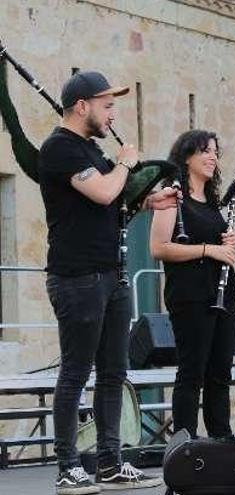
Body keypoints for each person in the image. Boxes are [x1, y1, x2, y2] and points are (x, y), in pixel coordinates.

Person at [39, 70, 176, 494]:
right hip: (77, 276)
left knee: (114, 372)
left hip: (111, 274)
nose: (112, 112)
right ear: (83, 106)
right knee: (76, 372)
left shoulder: (92, 150)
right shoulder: (59, 148)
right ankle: (67, 468)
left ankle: (110, 464)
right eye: (107, 104)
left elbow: (117, 201)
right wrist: (126, 162)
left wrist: (152, 199)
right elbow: (101, 191)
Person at [150, 130, 235, 440]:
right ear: (186, 156)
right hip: (191, 297)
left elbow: (221, 250)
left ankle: (221, 441)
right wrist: (209, 249)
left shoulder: (213, 202)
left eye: (215, 151)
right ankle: (184, 447)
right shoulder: (173, 196)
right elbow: (159, 247)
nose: (213, 156)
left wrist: (228, 243)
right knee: (192, 374)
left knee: (220, 375)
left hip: (224, 294)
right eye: (205, 150)